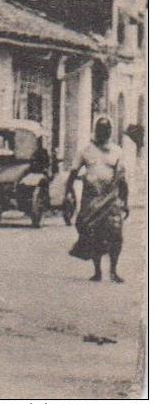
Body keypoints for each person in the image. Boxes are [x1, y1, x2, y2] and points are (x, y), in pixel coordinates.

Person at [67, 115, 129, 283]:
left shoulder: (117, 151)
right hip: (92, 201)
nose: (105, 132)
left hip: (112, 200)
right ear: (96, 130)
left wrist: (126, 202)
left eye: (107, 129)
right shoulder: (85, 151)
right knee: (94, 235)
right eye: (101, 129)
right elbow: (72, 174)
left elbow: (122, 179)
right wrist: (69, 194)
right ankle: (97, 271)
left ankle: (113, 271)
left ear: (111, 131)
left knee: (116, 236)